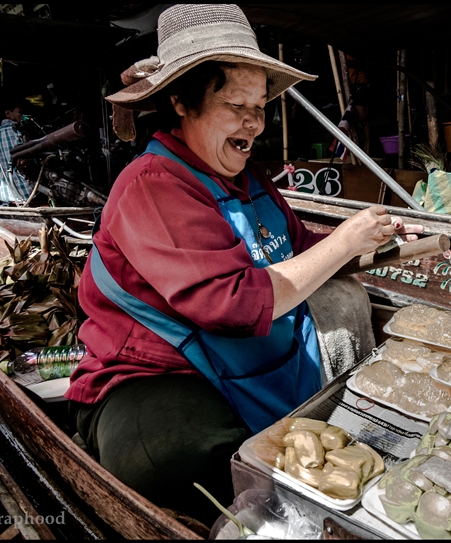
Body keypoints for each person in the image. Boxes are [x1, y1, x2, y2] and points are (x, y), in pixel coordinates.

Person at [65, 4, 423, 522]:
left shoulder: (249, 180)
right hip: (156, 373)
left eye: (260, 105)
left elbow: (302, 249)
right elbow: (230, 303)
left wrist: (376, 242)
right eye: (236, 104)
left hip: (247, 363)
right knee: (181, 461)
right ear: (182, 102)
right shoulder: (153, 184)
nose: (254, 122)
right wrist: (343, 243)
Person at [0, 98, 33, 204]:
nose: (21, 116)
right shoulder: (18, 131)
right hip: (26, 193)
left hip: (3, 195)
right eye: (19, 112)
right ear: (7, 113)